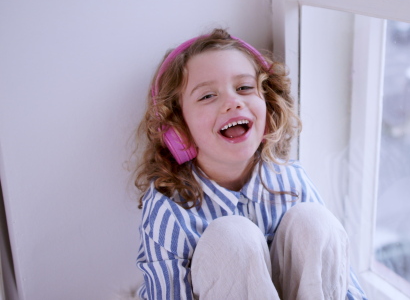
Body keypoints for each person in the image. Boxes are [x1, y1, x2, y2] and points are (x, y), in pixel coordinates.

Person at [133, 28, 367, 299]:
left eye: (244, 88)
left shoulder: (292, 180)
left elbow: (341, 278)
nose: (233, 102)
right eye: (207, 96)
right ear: (177, 128)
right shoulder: (168, 207)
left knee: (315, 221)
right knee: (233, 237)